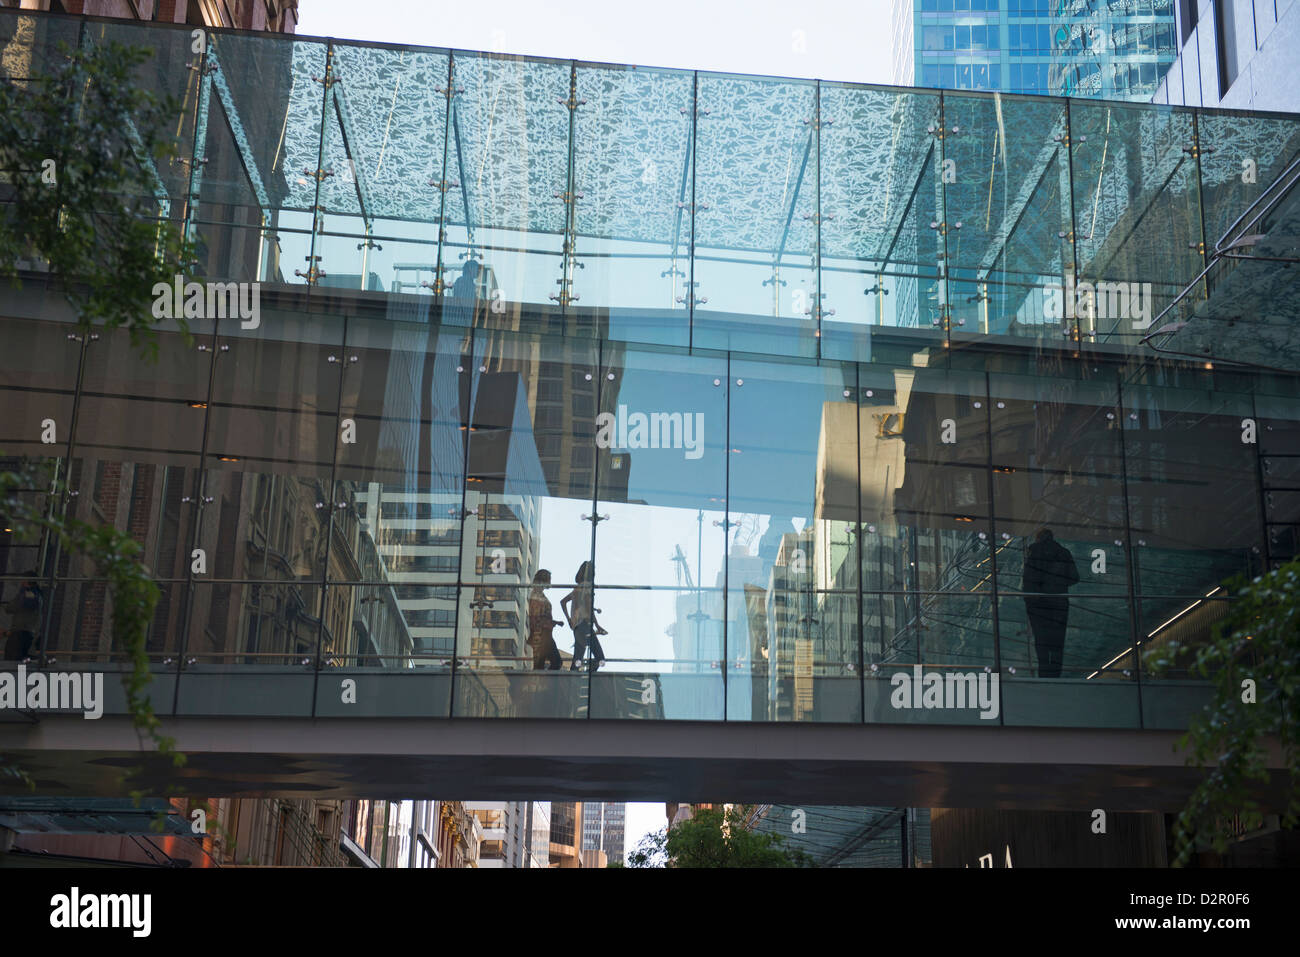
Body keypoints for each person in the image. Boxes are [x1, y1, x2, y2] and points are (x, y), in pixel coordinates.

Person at [1021, 529, 1079, 678]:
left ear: (1038, 538)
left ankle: (1044, 673)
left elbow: (1028, 579)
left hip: (1038, 604)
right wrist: (1058, 583)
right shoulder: (1063, 552)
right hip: (1059, 602)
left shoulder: (1033, 552)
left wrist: (1029, 599)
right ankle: (1056, 674)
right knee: (1058, 641)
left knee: (1041, 641)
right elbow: (1074, 577)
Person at [561, 561, 607, 672]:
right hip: (585, 625)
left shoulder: (577, 588)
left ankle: (577, 680)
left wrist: (569, 620)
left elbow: (563, 602)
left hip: (578, 627)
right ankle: (588, 679)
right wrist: (597, 625)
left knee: (578, 659)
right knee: (600, 658)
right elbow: (588, 608)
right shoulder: (587, 587)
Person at [526, 569, 563, 671]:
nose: (550, 582)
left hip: (544, 634)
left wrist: (554, 622)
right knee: (552, 662)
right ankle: (545, 683)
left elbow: (540, 616)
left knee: (541, 665)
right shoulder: (536, 596)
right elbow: (536, 618)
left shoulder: (539, 595)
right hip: (540, 635)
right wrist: (551, 623)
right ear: (544, 580)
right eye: (549, 579)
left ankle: (544, 683)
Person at [3, 573, 43, 662]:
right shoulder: (36, 594)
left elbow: (13, 607)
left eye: (23, 580)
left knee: (12, 661)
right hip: (25, 633)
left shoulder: (29, 594)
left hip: (21, 634)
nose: (21, 583)